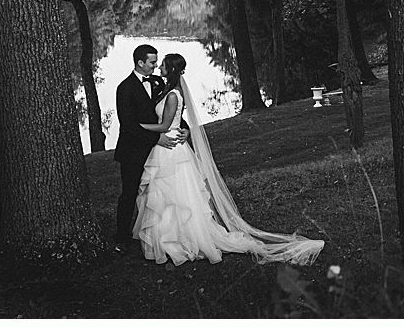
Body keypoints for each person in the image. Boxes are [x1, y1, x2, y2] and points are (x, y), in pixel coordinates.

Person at [132, 53, 324, 266]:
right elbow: (175, 121)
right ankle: (173, 237)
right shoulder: (168, 89)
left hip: (171, 149)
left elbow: (166, 126)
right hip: (170, 146)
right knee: (172, 197)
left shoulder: (173, 95)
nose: (159, 68)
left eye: (164, 65)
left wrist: (135, 127)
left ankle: (183, 239)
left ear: (172, 69)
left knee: (176, 196)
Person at [113, 44, 188, 255]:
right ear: (140, 63)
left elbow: (173, 113)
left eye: (157, 62)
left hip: (157, 150)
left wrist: (186, 130)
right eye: (153, 62)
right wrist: (157, 137)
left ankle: (158, 233)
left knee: (157, 192)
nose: (156, 66)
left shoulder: (157, 83)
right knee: (129, 192)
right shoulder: (124, 88)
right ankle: (122, 236)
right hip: (133, 149)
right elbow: (127, 125)